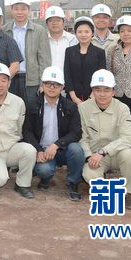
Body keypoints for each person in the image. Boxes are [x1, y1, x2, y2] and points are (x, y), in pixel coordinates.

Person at [0, 63, 37, 198]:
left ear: (9, 82)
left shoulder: (18, 102)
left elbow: (20, 128)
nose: (0, 84)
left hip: (11, 148)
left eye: (4, 80)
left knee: (29, 150)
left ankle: (23, 184)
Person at [22, 67, 83, 201]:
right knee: (44, 170)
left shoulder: (70, 106)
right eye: (48, 83)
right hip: (43, 151)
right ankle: (45, 179)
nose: (52, 87)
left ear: (62, 87)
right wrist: (38, 150)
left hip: (62, 149)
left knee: (77, 150)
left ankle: (73, 183)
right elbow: (27, 131)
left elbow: (76, 132)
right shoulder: (32, 105)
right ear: (42, 85)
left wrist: (57, 145)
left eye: (56, 84)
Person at [78, 69, 131, 200]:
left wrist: (103, 151)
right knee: (89, 174)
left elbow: (128, 138)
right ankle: (110, 192)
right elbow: (82, 137)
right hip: (95, 156)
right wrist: (88, 156)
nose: (102, 94)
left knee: (128, 154)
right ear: (92, 91)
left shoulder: (122, 108)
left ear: (113, 91)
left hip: (117, 153)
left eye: (107, 90)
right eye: (98, 90)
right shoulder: (83, 108)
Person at [3, 0, 51, 108]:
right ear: (11, 10)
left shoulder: (39, 31)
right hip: (10, 79)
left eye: (23, 9)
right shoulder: (4, 30)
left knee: (32, 112)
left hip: (31, 81)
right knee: (11, 111)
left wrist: (43, 82)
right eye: (16, 9)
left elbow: (44, 59)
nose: (20, 12)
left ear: (29, 10)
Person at [64, 16, 107, 104]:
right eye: (80, 32)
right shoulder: (69, 51)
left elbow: (100, 76)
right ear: (75, 33)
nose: (83, 35)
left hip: (94, 97)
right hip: (72, 98)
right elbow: (67, 75)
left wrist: (91, 97)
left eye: (87, 32)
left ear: (92, 33)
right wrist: (74, 98)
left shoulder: (100, 52)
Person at [43, 6, 77, 71]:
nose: (54, 23)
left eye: (58, 20)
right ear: (47, 24)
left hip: (67, 76)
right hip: (47, 77)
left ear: (63, 22)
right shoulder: (42, 40)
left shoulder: (73, 39)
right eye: (51, 21)